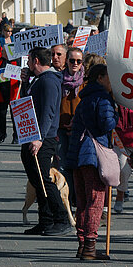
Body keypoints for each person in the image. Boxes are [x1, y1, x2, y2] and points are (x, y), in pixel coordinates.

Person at [65, 64, 117, 260]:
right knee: (95, 201)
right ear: (101, 78)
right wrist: (116, 112)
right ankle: (90, 246)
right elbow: (107, 124)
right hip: (93, 155)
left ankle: (82, 244)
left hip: (79, 154)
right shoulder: (103, 98)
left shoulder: (85, 98)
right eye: (109, 77)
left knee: (83, 202)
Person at [21, 47, 71, 236]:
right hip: (33, 135)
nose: (27, 63)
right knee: (36, 179)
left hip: (43, 137)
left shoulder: (49, 80)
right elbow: (27, 101)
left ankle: (61, 219)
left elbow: (49, 111)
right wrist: (25, 82)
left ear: (35, 61)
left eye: (28, 60)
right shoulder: (40, 80)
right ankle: (46, 220)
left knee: (44, 179)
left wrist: (39, 137)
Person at [57, 47, 85, 205]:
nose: (75, 63)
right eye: (72, 60)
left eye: (78, 61)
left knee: (79, 166)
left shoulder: (85, 82)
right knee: (63, 166)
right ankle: (66, 200)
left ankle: (77, 200)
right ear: (66, 61)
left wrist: (77, 120)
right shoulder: (58, 78)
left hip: (79, 129)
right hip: (61, 129)